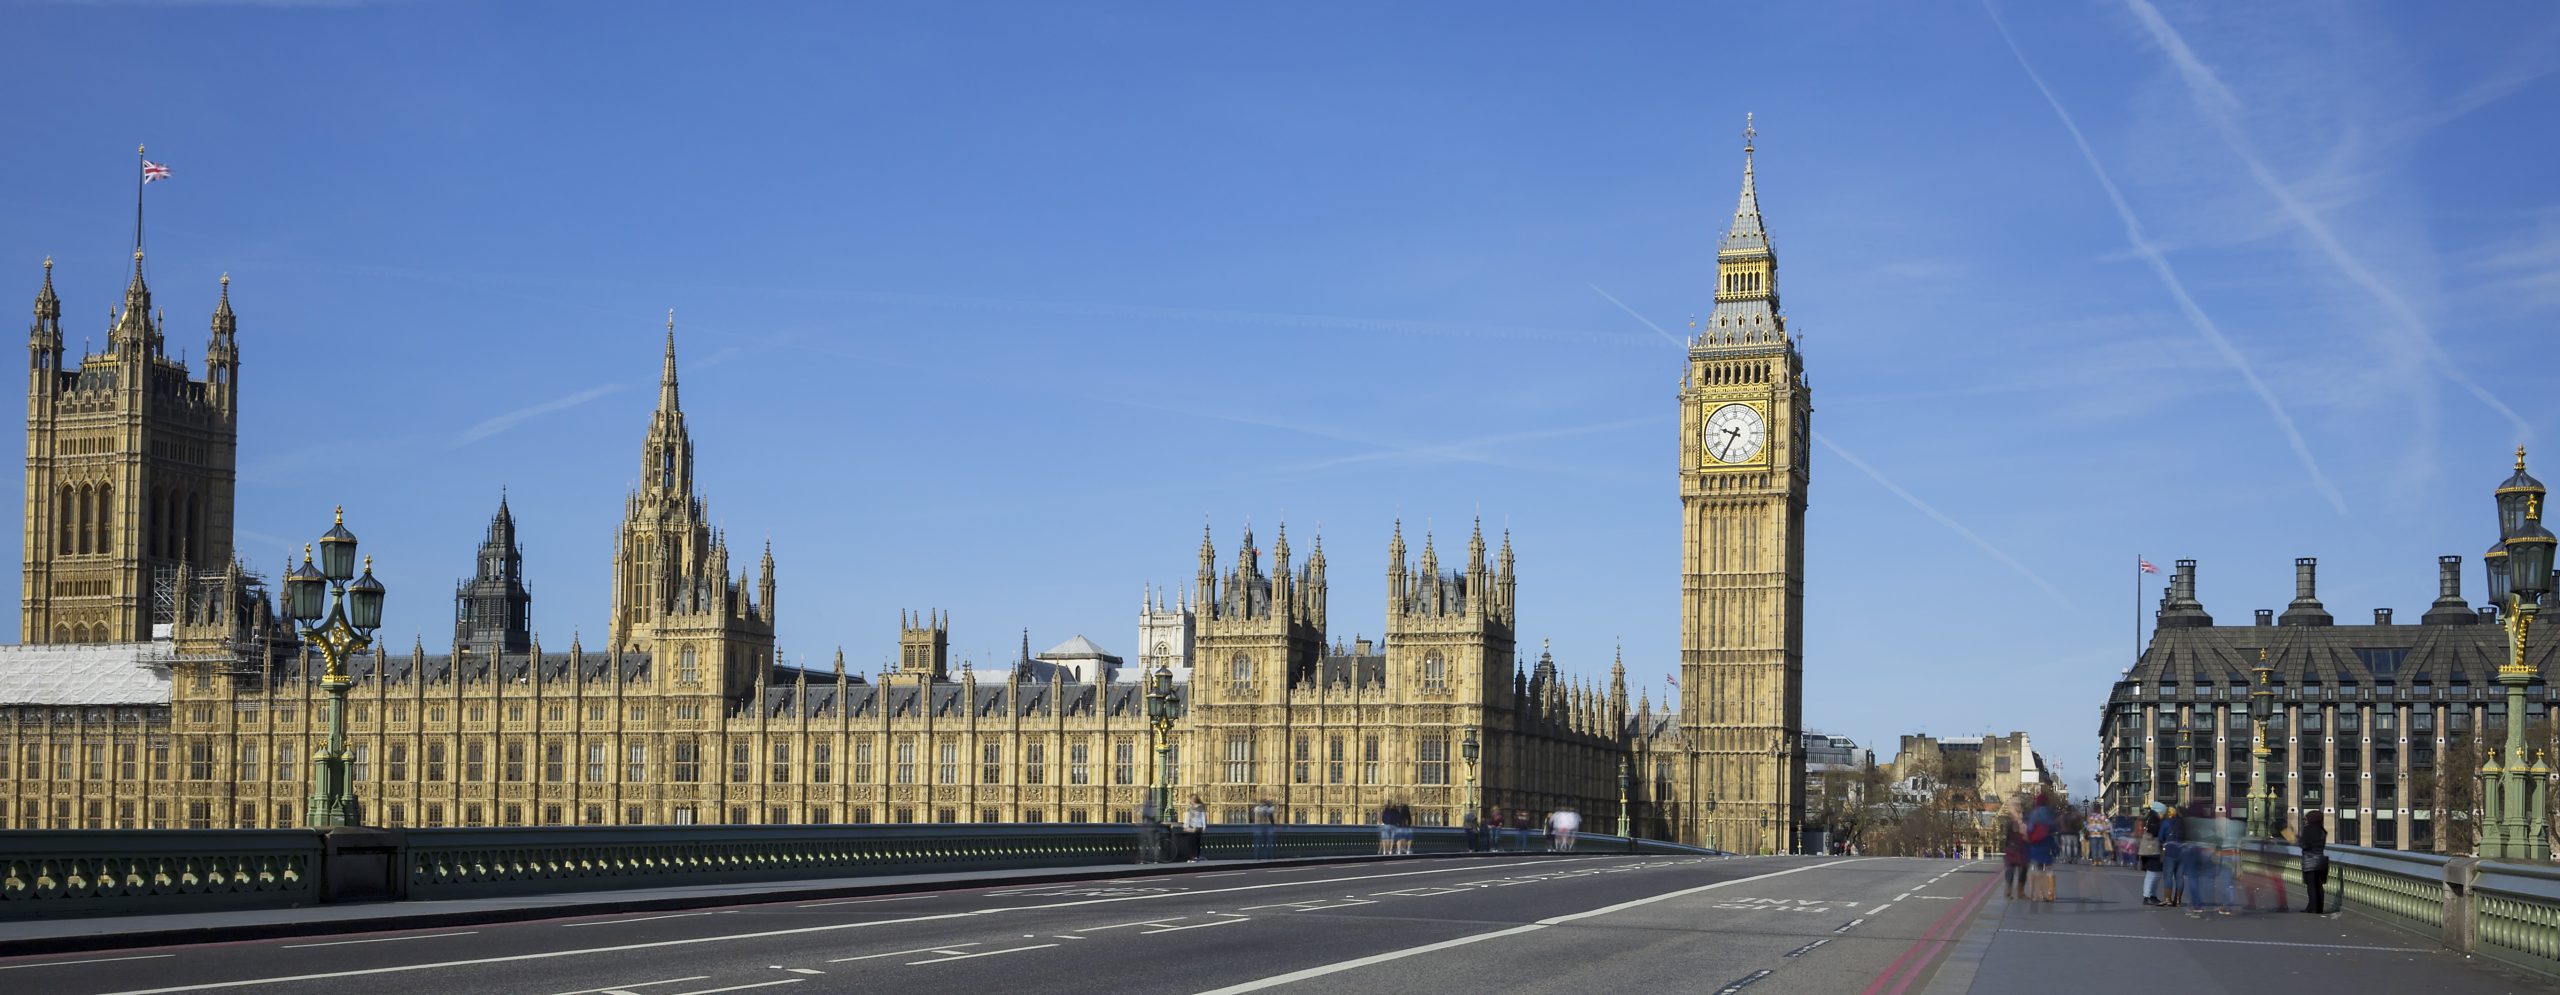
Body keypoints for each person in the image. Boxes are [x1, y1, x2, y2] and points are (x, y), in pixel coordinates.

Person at [2024, 791, 2059, 902]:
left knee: (2037, 868)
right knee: (2049, 868)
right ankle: (2051, 893)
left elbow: (2029, 829)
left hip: (2036, 843)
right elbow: (2054, 826)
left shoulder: (2034, 813)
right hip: (2047, 841)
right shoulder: (2050, 812)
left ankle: (2039, 893)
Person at [2300, 810, 2330, 915]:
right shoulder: (2322, 830)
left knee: (2311, 885)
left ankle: (2312, 908)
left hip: (2310, 860)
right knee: (2318, 884)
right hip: (2321, 860)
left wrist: (2295, 838)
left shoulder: (2308, 830)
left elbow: (2305, 845)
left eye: (2306, 819)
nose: (2305, 821)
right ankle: (2319, 908)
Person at [2138, 806, 2165, 906]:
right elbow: (2155, 832)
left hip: (2149, 850)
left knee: (2154, 873)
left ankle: (2151, 895)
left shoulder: (2151, 818)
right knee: (2152, 873)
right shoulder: (2153, 819)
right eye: (2162, 813)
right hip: (2151, 850)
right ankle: (2148, 896)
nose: (2163, 815)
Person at [2001, 812, 2029, 900]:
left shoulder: (2023, 825)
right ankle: (2011, 891)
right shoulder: (2014, 825)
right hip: (2014, 850)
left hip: (2018, 851)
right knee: (2013, 871)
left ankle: (2018, 891)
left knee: (2021, 872)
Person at [1181, 796, 1208, 862]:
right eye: (1191, 799)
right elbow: (1187, 818)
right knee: (1190, 842)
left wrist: (1204, 827)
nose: (1192, 800)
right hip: (1191, 827)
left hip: (1198, 827)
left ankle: (1196, 856)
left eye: (1193, 799)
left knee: (1196, 842)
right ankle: (1191, 856)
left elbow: (1203, 818)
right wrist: (1185, 826)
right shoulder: (1189, 808)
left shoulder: (1200, 807)